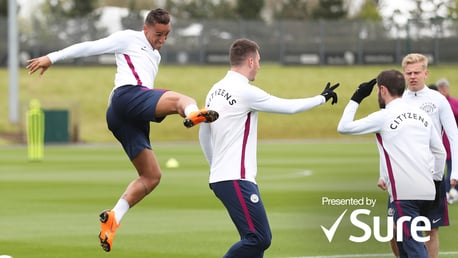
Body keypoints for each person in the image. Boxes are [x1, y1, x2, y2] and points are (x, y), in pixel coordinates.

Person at [26, 8, 219, 252]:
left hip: (124, 116)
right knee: (184, 99)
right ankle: (192, 115)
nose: (162, 40)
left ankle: (113, 217)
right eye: (158, 34)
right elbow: (89, 46)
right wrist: (52, 58)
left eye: (167, 35)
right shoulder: (129, 38)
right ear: (145, 28)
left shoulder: (154, 56)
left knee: (152, 176)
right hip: (127, 98)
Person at [198, 38, 339, 258]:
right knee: (259, 238)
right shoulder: (245, 91)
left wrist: (214, 168)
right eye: (259, 61)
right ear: (251, 61)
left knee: (254, 245)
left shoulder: (214, 90)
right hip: (236, 177)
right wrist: (321, 98)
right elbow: (289, 107)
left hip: (223, 177)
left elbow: (203, 134)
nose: (260, 67)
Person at [337, 70, 446, 258]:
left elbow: (344, 127)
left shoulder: (384, 116)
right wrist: (435, 179)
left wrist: (357, 97)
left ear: (382, 90)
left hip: (404, 193)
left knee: (413, 245)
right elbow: (439, 152)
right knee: (403, 244)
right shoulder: (422, 115)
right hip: (428, 189)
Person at [400, 53, 458, 258]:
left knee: (430, 229)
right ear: (403, 75)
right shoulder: (398, 100)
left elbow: (453, 134)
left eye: (417, 72)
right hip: (403, 174)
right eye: (408, 73)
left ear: (426, 73)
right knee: (397, 230)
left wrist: (456, 170)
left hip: (432, 174)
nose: (413, 76)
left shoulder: (438, 100)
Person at [435, 78, 458, 204]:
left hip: (451, 141)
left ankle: (449, 192)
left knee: (451, 168)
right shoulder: (437, 103)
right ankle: (444, 192)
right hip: (439, 140)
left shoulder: (453, 103)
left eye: (444, 88)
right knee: (438, 169)